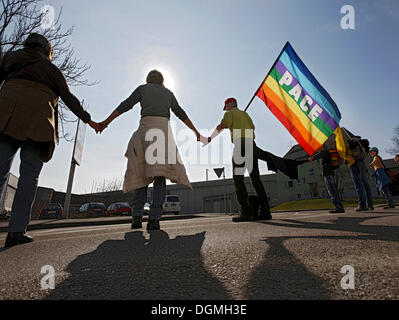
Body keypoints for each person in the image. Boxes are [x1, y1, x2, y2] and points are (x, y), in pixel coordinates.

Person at [0, 33, 101, 248]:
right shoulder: (52, 70)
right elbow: (69, 98)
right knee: (29, 177)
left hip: (5, 115)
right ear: (48, 52)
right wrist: (90, 121)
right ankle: (17, 231)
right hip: (38, 121)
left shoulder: (10, 58)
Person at [99, 70, 202, 231]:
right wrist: (195, 132)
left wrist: (105, 122)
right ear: (162, 81)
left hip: (145, 132)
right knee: (159, 176)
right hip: (162, 134)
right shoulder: (168, 93)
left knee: (141, 174)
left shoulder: (142, 89)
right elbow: (181, 113)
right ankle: (154, 219)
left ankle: (137, 217)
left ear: (148, 80)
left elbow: (125, 105)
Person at [205, 98, 272, 222]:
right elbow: (253, 127)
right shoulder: (245, 114)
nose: (226, 110)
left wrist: (209, 138)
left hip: (240, 145)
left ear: (228, 106)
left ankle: (247, 212)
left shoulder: (229, 114)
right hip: (252, 145)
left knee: (238, 179)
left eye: (226, 108)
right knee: (255, 178)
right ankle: (266, 211)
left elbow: (221, 127)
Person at [310, 145, 345, 214]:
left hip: (327, 173)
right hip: (329, 173)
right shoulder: (326, 153)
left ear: (322, 147)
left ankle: (338, 206)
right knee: (334, 189)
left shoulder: (324, 152)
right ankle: (339, 206)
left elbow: (318, 155)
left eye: (318, 148)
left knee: (331, 190)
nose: (317, 150)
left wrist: (312, 158)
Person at [347, 137, 374, 211]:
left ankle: (362, 205)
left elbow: (349, 147)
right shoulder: (363, 143)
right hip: (362, 163)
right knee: (365, 184)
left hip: (354, 163)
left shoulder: (354, 143)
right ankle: (370, 204)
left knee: (358, 184)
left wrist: (349, 141)